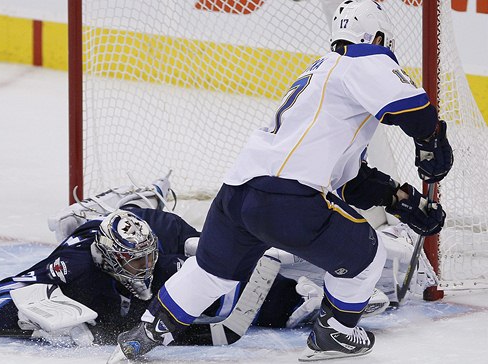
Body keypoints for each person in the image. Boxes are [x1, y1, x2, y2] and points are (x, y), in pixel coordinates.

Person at [110, 0, 453, 362]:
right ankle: (337, 332)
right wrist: (432, 143)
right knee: (368, 254)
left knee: (210, 273)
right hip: (289, 200)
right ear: (378, 36)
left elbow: (348, 180)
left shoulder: (323, 78)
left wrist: (399, 200)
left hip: (236, 196)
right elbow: (415, 108)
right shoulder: (365, 59)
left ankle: (146, 333)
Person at [0, 177, 390, 347]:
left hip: (160, 232)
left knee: (233, 265)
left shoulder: (161, 238)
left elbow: (221, 274)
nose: (144, 267)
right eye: (133, 261)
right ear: (108, 258)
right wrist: (27, 314)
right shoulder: (74, 262)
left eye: (147, 259)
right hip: (101, 245)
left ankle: (327, 295)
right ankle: (101, 209)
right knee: (73, 224)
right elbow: (2, 298)